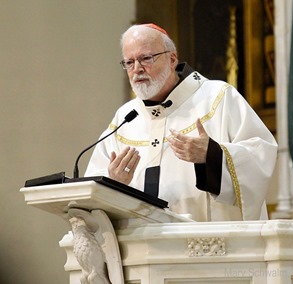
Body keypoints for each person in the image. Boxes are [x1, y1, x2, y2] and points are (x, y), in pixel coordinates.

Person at [85, 23, 278, 222]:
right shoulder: (125, 117)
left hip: (210, 245)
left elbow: (260, 155)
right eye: (129, 62)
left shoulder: (217, 97)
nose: (137, 69)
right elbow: (93, 188)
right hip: (142, 246)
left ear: (172, 59)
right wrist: (114, 184)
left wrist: (211, 155)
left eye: (146, 58)